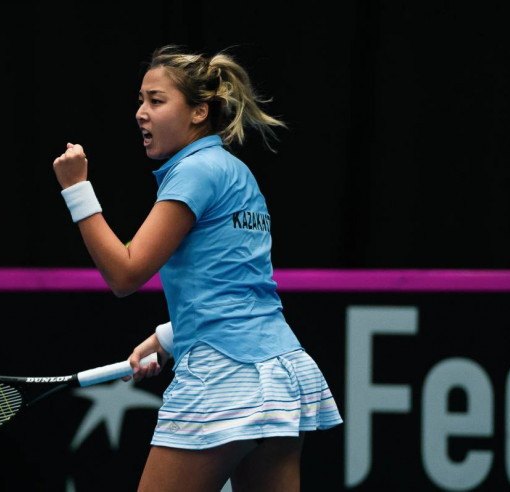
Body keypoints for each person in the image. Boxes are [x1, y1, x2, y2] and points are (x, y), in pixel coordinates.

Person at [52, 45, 342, 492]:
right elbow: (237, 285)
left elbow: (125, 274)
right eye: (140, 100)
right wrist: (170, 337)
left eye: (156, 100)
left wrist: (76, 190)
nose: (141, 112)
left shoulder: (194, 172)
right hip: (280, 373)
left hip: (225, 376)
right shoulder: (234, 171)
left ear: (198, 112)